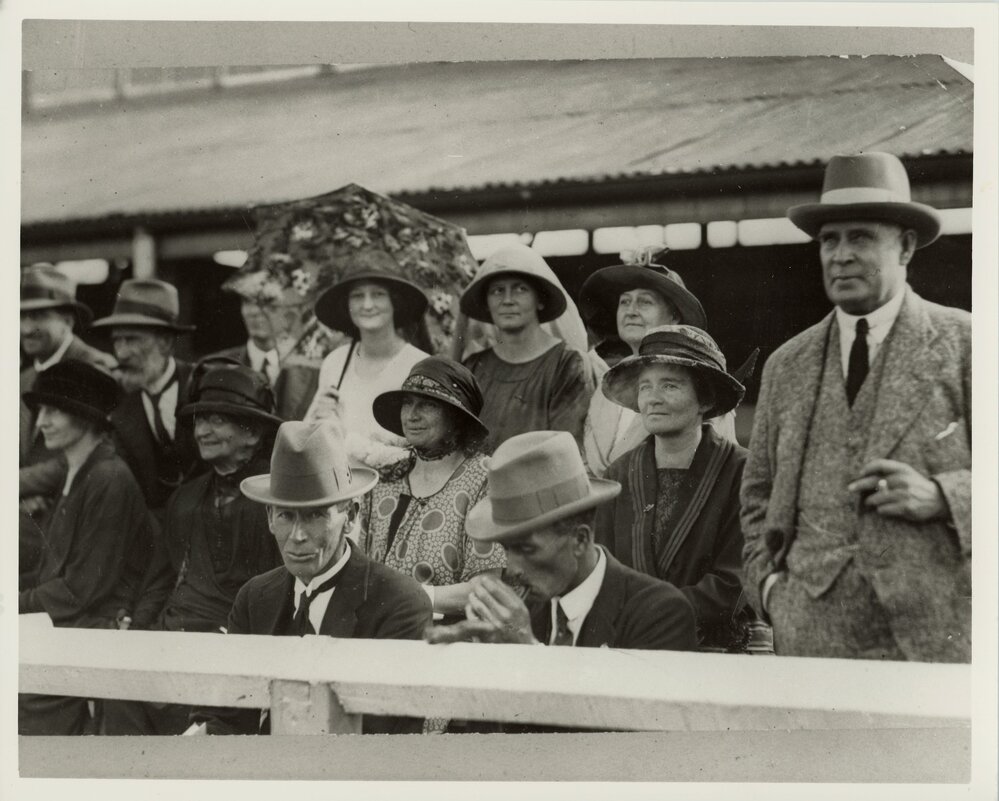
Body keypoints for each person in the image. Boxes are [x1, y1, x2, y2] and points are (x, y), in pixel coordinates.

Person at [741, 152, 971, 663]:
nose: (839, 255)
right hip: (813, 638)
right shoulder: (787, 365)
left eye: (861, 237)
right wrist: (773, 591)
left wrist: (942, 495)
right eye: (829, 239)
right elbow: (756, 495)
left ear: (906, 246)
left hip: (938, 635)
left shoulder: (968, 344)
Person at [192, 421, 433, 735]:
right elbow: (228, 715)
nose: (297, 536)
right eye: (286, 515)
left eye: (316, 515)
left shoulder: (400, 603)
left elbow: (386, 736)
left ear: (351, 517)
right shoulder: (255, 597)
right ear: (269, 518)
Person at [103, 363, 284, 735]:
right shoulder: (185, 499)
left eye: (217, 420)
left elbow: (280, 596)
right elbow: (160, 578)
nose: (202, 430)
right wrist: (135, 638)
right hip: (172, 638)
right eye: (199, 420)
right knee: (117, 693)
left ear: (252, 433)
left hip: (235, 649)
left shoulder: (279, 500)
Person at [426, 429, 697, 652]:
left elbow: (625, 716)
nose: (512, 569)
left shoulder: (659, 613)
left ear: (580, 539)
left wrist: (527, 653)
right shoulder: (524, 612)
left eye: (527, 549)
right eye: (507, 550)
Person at [595, 325, 766, 652]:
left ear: (705, 398)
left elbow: (736, 581)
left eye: (670, 386)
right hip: (629, 649)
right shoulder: (618, 472)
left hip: (712, 652)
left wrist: (649, 612)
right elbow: (601, 567)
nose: (653, 399)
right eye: (645, 387)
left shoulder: (742, 472)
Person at [18, 360, 158, 735]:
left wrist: (14, 605)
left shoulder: (109, 478)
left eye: (54, 410)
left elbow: (82, 587)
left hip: (95, 626)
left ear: (85, 416)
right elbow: (55, 571)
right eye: (40, 410)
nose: (42, 421)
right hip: (65, 617)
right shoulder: (73, 471)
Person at [363, 356, 506, 619]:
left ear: (456, 416)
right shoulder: (385, 479)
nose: (412, 415)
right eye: (407, 403)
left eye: (427, 405)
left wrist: (410, 598)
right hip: (377, 637)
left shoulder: (484, 480)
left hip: (451, 642)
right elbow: (358, 572)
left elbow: (487, 588)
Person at [578, 249, 739, 477]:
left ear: (674, 316)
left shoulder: (699, 379)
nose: (631, 311)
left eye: (645, 302)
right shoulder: (609, 378)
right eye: (625, 302)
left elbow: (719, 468)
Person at [19, 265, 118, 588]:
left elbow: (98, 450)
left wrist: (21, 485)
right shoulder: (21, 378)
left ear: (68, 320)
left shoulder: (95, 368)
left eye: (38, 316)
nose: (26, 328)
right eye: (20, 317)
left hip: (74, 526)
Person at [304, 249, 430, 472]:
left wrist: (350, 442)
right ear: (347, 305)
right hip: (340, 491)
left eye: (378, 294)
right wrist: (318, 421)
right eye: (357, 296)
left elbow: (427, 453)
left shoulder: (420, 366)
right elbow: (306, 442)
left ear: (395, 302)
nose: (367, 305)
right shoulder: (335, 363)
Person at [459, 244, 591, 450]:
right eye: (497, 291)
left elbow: (564, 450)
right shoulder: (472, 367)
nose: (508, 300)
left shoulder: (566, 364)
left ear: (540, 300)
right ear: (486, 303)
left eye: (520, 289)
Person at [90, 279, 200, 515]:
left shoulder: (203, 385)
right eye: (117, 341)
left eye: (131, 339)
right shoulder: (119, 406)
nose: (121, 353)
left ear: (166, 343)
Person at [210, 289, 318, 421]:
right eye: (247, 302)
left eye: (267, 302)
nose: (254, 311)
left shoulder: (314, 373)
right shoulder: (215, 366)